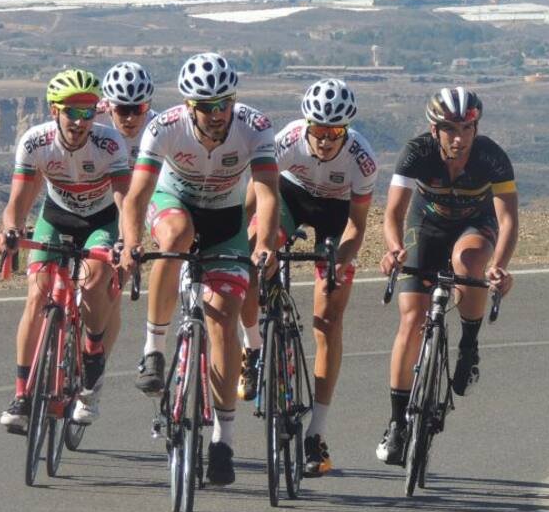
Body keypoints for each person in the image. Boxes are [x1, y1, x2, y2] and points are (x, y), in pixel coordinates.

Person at [118, 52, 279, 487]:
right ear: (189, 106)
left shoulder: (255, 128)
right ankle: (153, 350)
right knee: (175, 238)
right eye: (206, 106)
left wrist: (264, 242)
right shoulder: (164, 126)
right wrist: (132, 243)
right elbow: (135, 196)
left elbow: (266, 193)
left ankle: (223, 441)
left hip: (226, 220)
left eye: (223, 103)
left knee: (223, 318)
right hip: (176, 204)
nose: (216, 113)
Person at [239, 78, 377, 477]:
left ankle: (316, 433)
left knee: (327, 319)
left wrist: (340, 263)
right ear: (307, 126)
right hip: (291, 199)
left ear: (346, 131)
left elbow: (356, 227)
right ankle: (253, 348)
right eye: (318, 129)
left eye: (334, 132)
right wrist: (244, 240)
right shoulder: (287, 141)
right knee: (250, 258)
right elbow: (254, 201)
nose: (324, 139)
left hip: (336, 216)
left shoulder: (361, 159)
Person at [376, 87, 518, 465]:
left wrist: (499, 267)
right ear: (434, 129)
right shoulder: (417, 152)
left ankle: (468, 346)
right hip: (426, 226)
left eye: (467, 129)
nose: (459, 138)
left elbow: (508, 220)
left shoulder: (491, 157)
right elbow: (393, 213)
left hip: (475, 225)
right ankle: (396, 424)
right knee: (411, 320)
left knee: (468, 262)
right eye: (450, 129)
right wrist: (393, 249)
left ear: (476, 128)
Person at [0, 69, 130, 433]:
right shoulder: (35, 142)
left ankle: (93, 348)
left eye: (88, 112)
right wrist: (11, 230)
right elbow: (18, 202)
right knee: (36, 296)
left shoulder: (110, 143)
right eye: (71, 112)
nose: (80, 120)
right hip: (56, 217)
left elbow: (124, 200)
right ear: (55, 111)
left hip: (101, 220)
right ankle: (22, 395)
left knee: (93, 281)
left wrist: (127, 241)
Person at [92, 61, 156, 374]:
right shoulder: (93, 119)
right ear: (109, 106)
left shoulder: (158, 127)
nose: (131, 118)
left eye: (138, 108)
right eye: (122, 110)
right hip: (102, 204)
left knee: (113, 286)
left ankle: (97, 368)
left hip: (140, 207)